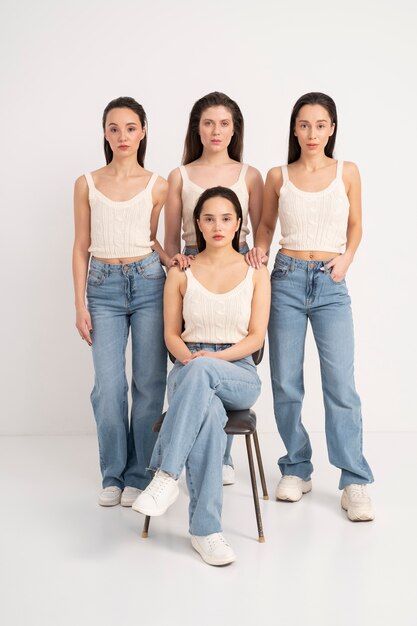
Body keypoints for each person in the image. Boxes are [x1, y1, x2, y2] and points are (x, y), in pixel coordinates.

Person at [247, 92, 374, 521]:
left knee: (340, 383)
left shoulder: (348, 172)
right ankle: (297, 467)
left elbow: (356, 224)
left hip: (331, 281)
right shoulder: (278, 175)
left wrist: (346, 259)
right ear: (294, 128)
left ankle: (354, 479)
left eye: (320, 125)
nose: (312, 133)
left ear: (332, 128)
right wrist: (260, 253)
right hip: (285, 278)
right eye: (304, 125)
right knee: (286, 381)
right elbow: (265, 225)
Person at [133, 186, 270, 565]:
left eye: (226, 218)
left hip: (238, 372)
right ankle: (206, 531)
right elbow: (172, 336)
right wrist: (196, 362)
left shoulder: (256, 271)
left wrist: (213, 359)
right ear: (198, 224)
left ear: (239, 223)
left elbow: (256, 337)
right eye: (209, 218)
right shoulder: (180, 271)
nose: (217, 225)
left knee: (206, 372)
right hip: (187, 368)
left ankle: (165, 475)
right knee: (207, 414)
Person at [72, 97, 168, 508]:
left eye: (131, 127)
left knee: (148, 385)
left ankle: (139, 475)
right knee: (108, 388)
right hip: (103, 288)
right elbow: (80, 246)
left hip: (149, 283)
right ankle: (113, 473)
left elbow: (149, 237)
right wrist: (80, 304)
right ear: (104, 134)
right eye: (114, 128)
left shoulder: (157, 184)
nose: (122, 136)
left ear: (143, 131)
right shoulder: (87, 183)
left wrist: (170, 260)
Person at [164, 91, 264, 485]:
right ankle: (202, 459)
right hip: (193, 265)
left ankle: (189, 464)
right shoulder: (181, 174)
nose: (216, 130)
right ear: (197, 128)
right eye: (208, 123)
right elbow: (172, 238)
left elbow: (258, 230)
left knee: (224, 352)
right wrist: (178, 262)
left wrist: (256, 258)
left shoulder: (249, 174)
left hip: (236, 265)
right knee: (196, 351)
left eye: (224, 123)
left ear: (234, 127)